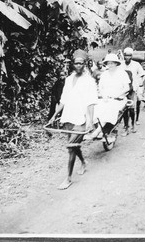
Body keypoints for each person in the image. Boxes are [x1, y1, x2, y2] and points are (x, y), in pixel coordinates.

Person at [49, 49, 98, 190]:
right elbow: (63, 100)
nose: (78, 66)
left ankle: (68, 178)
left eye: (81, 63)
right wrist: (54, 115)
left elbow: (91, 102)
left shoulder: (89, 81)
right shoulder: (69, 79)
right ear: (73, 64)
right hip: (68, 117)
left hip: (81, 119)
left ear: (85, 64)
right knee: (74, 146)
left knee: (71, 148)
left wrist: (90, 121)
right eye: (76, 63)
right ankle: (83, 162)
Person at [85, 53, 131, 140]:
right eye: (108, 63)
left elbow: (127, 87)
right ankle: (95, 129)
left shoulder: (122, 73)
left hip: (119, 99)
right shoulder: (104, 74)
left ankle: (98, 131)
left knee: (110, 108)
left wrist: (118, 94)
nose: (110, 65)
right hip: (105, 98)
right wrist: (104, 95)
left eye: (112, 63)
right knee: (95, 107)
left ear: (116, 63)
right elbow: (100, 87)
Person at [120, 47, 144, 135]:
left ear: (131, 56)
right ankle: (126, 127)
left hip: (132, 89)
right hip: (123, 89)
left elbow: (141, 74)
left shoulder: (136, 64)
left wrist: (138, 84)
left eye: (129, 56)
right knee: (124, 109)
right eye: (126, 56)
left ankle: (133, 124)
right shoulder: (121, 65)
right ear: (124, 56)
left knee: (132, 109)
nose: (127, 58)